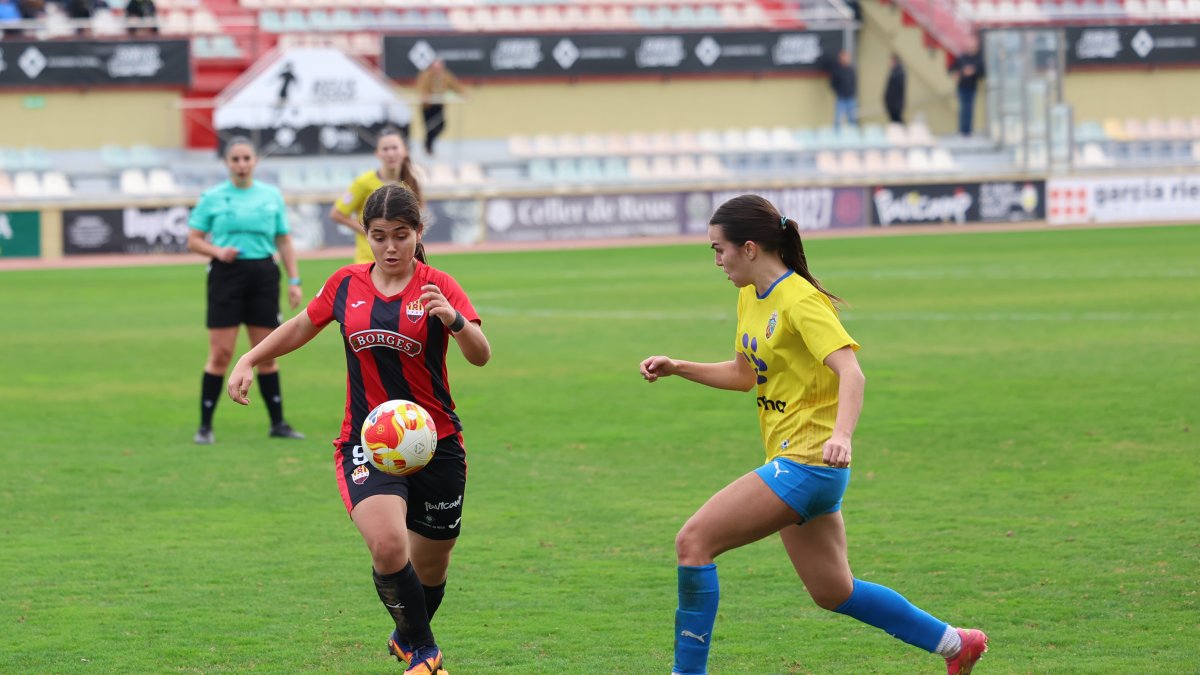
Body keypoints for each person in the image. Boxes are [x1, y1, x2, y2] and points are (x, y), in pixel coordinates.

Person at [639, 194, 989, 675]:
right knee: (833, 591)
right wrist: (679, 367)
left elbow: (852, 373)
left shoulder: (801, 300)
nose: (715, 260)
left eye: (718, 249)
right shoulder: (750, 296)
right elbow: (745, 375)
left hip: (807, 462)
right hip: (798, 465)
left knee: (693, 542)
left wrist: (842, 435)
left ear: (749, 247)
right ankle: (956, 644)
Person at [226, 184, 491, 675]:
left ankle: (406, 636)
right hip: (366, 443)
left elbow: (480, 354)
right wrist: (250, 356)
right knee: (389, 545)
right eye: (378, 236)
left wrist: (455, 320)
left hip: (437, 444)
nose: (390, 247)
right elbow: (302, 326)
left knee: (432, 565)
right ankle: (426, 654)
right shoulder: (346, 284)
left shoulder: (438, 285)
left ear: (418, 233)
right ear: (365, 234)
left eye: (401, 235)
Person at [187, 137, 305, 445]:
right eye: (235, 159)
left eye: (246, 159)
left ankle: (278, 423)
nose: (241, 164)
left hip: (264, 275)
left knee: (267, 353)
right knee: (221, 353)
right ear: (227, 163)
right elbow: (193, 238)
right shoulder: (213, 197)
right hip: (226, 275)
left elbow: (284, 240)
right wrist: (216, 251)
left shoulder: (270, 196)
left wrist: (294, 280)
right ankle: (205, 426)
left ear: (255, 162)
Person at [330, 127, 425, 265]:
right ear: (377, 153)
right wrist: (371, 230)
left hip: (402, 262)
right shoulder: (363, 182)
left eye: (394, 148)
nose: (390, 153)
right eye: (385, 149)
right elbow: (337, 214)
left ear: (405, 151)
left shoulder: (411, 182)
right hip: (368, 260)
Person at [414, 58, 466, 158]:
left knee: (441, 125)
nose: (437, 70)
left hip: (439, 105)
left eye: (439, 67)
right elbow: (421, 88)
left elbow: (455, 86)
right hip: (427, 106)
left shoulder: (446, 76)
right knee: (428, 127)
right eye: (435, 67)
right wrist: (424, 95)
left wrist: (462, 93)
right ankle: (428, 147)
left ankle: (428, 143)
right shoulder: (425, 76)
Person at [949, 35, 985, 136]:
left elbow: (982, 72)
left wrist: (973, 71)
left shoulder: (979, 58)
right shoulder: (962, 57)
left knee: (969, 108)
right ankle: (962, 130)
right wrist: (956, 74)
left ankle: (967, 131)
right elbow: (953, 69)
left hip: (972, 86)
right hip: (961, 85)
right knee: (962, 109)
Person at [826, 50, 858, 131]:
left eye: (847, 57)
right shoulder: (837, 70)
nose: (847, 59)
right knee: (838, 118)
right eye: (845, 57)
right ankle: (836, 138)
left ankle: (853, 136)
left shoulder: (851, 70)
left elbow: (854, 82)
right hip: (841, 98)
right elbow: (833, 84)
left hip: (851, 98)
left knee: (852, 119)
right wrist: (839, 92)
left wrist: (852, 92)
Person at [884, 53, 906, 124]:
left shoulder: (899, 74)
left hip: (895, 105)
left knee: (898, 122)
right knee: (895, 122)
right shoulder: (894, 73)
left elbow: (896, 91)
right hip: (892, 104)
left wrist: (893, 103)